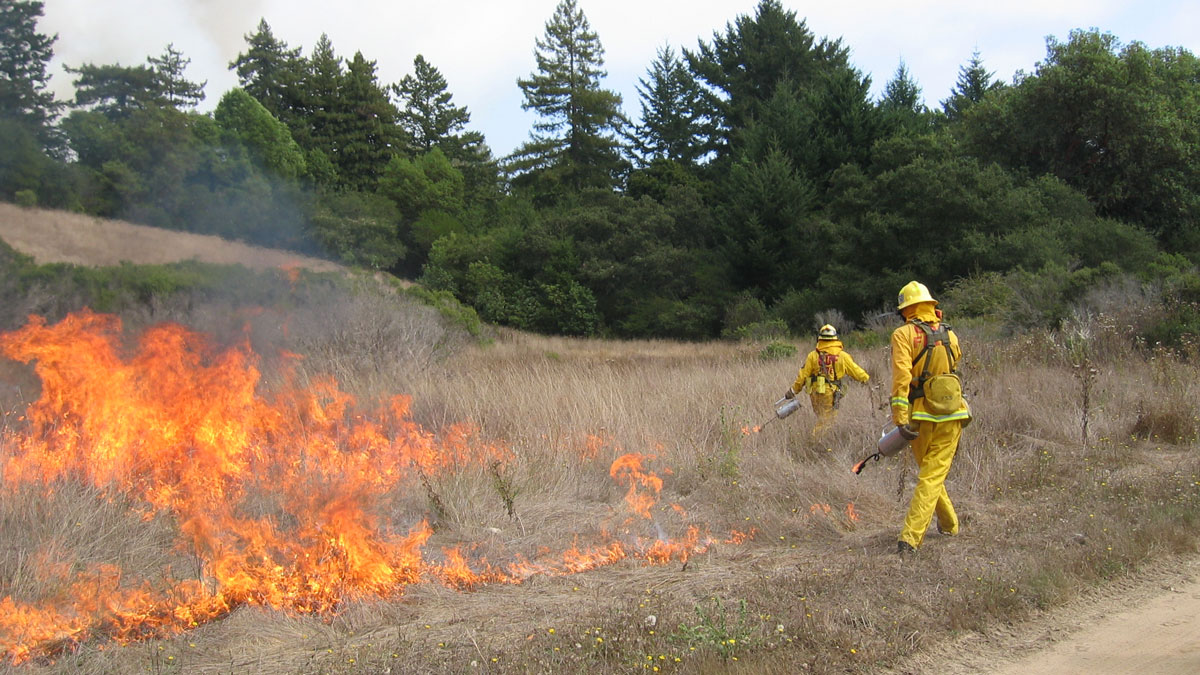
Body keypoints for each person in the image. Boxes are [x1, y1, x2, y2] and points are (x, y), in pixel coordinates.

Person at [889, 281, 971, 557]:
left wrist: (900, 418)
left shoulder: (903, 335)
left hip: (920, 417)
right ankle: (949, 524)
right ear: (930, 306)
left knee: (929, 474)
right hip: (954, 413)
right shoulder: (951, 334)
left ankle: (910, 539)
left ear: (906, 310)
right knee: (932, 474)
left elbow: (901, 378)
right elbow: (954, 366)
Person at [784, 324, 870, 436]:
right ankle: (814, 442)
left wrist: (793, 391)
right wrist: (867, 379)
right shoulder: (842, 356)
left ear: (820, 339)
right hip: (830, 393)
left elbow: (802, 376)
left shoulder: (813, 356)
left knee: (822, 419)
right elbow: (857, 371)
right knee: (826, 421)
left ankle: (823, 442)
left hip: (814, 393)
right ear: (835, 339)